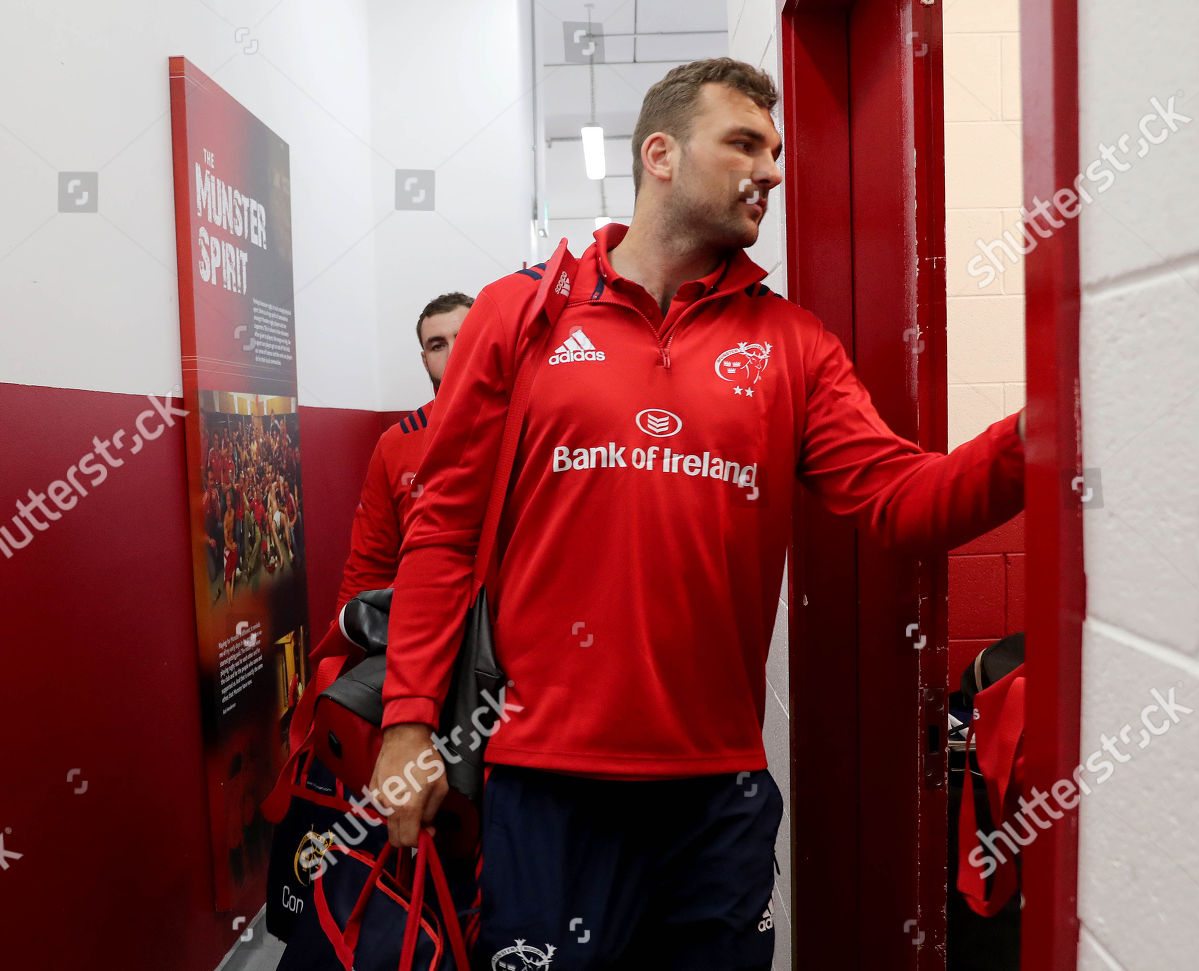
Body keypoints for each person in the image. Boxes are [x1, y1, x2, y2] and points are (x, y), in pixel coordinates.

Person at [373, 57, 1026, 969]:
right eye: (744, 143)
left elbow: (901, 501)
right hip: (548, 785)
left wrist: (1040, 433)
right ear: (662, 155)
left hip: (715, 791)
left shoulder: (792, 343)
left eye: (777, 149)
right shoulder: (522, 314)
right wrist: (407, 722)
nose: (771, 169)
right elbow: (441, 527)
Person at [334, 292, 471, 608]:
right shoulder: (396, 444)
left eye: (465, 338)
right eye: (438, 345)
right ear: (424, 360)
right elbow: (369, 563)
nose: (454, 353)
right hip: (426, 625)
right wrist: (344, 650)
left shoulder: (529, 426)